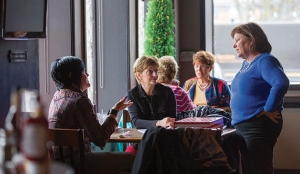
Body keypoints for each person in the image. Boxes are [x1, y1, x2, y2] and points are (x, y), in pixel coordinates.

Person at [48, 56, 135, 174]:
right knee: (133, 160)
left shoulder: (57, 96)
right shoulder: (79, 100)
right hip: (78, 163)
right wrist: (115, 111)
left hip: (58, 163)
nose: (87, 74)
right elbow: (100, 140)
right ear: (71, 75)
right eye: (83, 71)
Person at [230, 22, 290, 174]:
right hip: (244, 125)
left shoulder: (264, 60)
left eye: (237, 40)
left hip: (258, 125)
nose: (234, 45)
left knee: (259, 168)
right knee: (250, 168)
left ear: (252, 39)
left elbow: (281, 82)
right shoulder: (246, 64)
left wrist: (269, 108)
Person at [125, 55, 177, 155]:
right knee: (123, 161)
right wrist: (158, 123)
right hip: (140, 142)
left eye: (156, 71)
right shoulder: (132, 95)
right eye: (150, 71)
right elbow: (136, 122)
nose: (155, 75)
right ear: (139, 75)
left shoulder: (167, 92)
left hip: (163, 142)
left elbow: (172, 119)